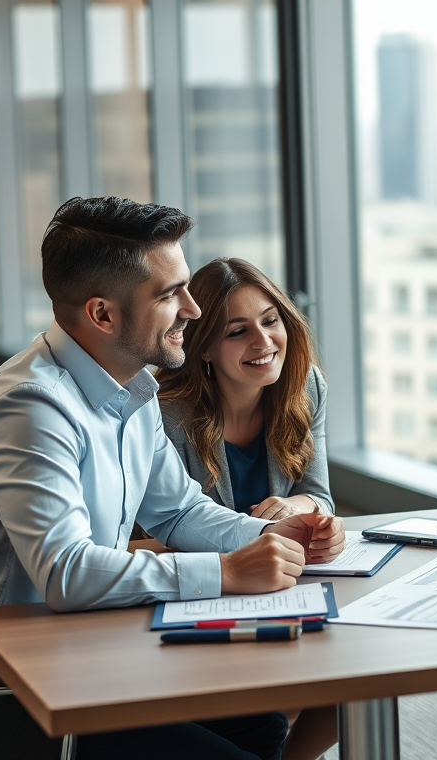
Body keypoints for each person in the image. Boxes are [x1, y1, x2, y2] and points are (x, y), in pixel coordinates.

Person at [0, 196, 345, 760]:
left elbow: (179, 511)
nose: (193, 309)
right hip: (0, 689)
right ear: (102, 314)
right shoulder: (30, 408)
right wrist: (225, 571)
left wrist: (271, 539)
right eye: (170, 295)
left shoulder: (131, 390)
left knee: (261, 725)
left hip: (86, 649)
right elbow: (65, 574)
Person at [151, 257, 337, 760]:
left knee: (356, 669)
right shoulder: (163, 413)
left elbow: (319, 494)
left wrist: (298, 511)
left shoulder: (305, 385)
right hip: (202, 589)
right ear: (204, 345)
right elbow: (153, 527)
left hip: (273, 581)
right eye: (238, 331)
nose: (264, 342)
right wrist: (257, 535)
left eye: (271, 321)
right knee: (271, 713)